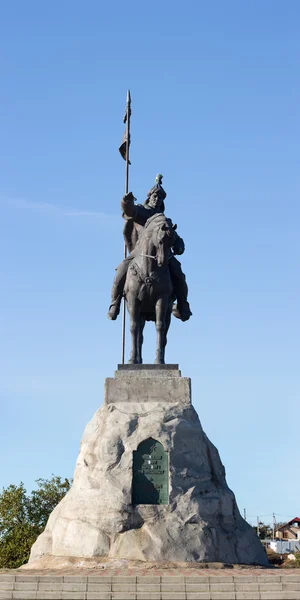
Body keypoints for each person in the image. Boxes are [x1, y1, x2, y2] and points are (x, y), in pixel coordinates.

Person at [107, 176, 192, 321]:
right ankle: (115, 303)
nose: (157, 199)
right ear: (149, 197)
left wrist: (179, 244)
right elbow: (130, 211)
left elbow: (174, 236)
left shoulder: (164, 219)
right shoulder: (142, 212)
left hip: (163, 254)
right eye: (155, 195)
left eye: (160, 197)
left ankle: (183, 304)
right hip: (140, 253)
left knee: (178, 272)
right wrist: (126, 202)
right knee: (122, 269)